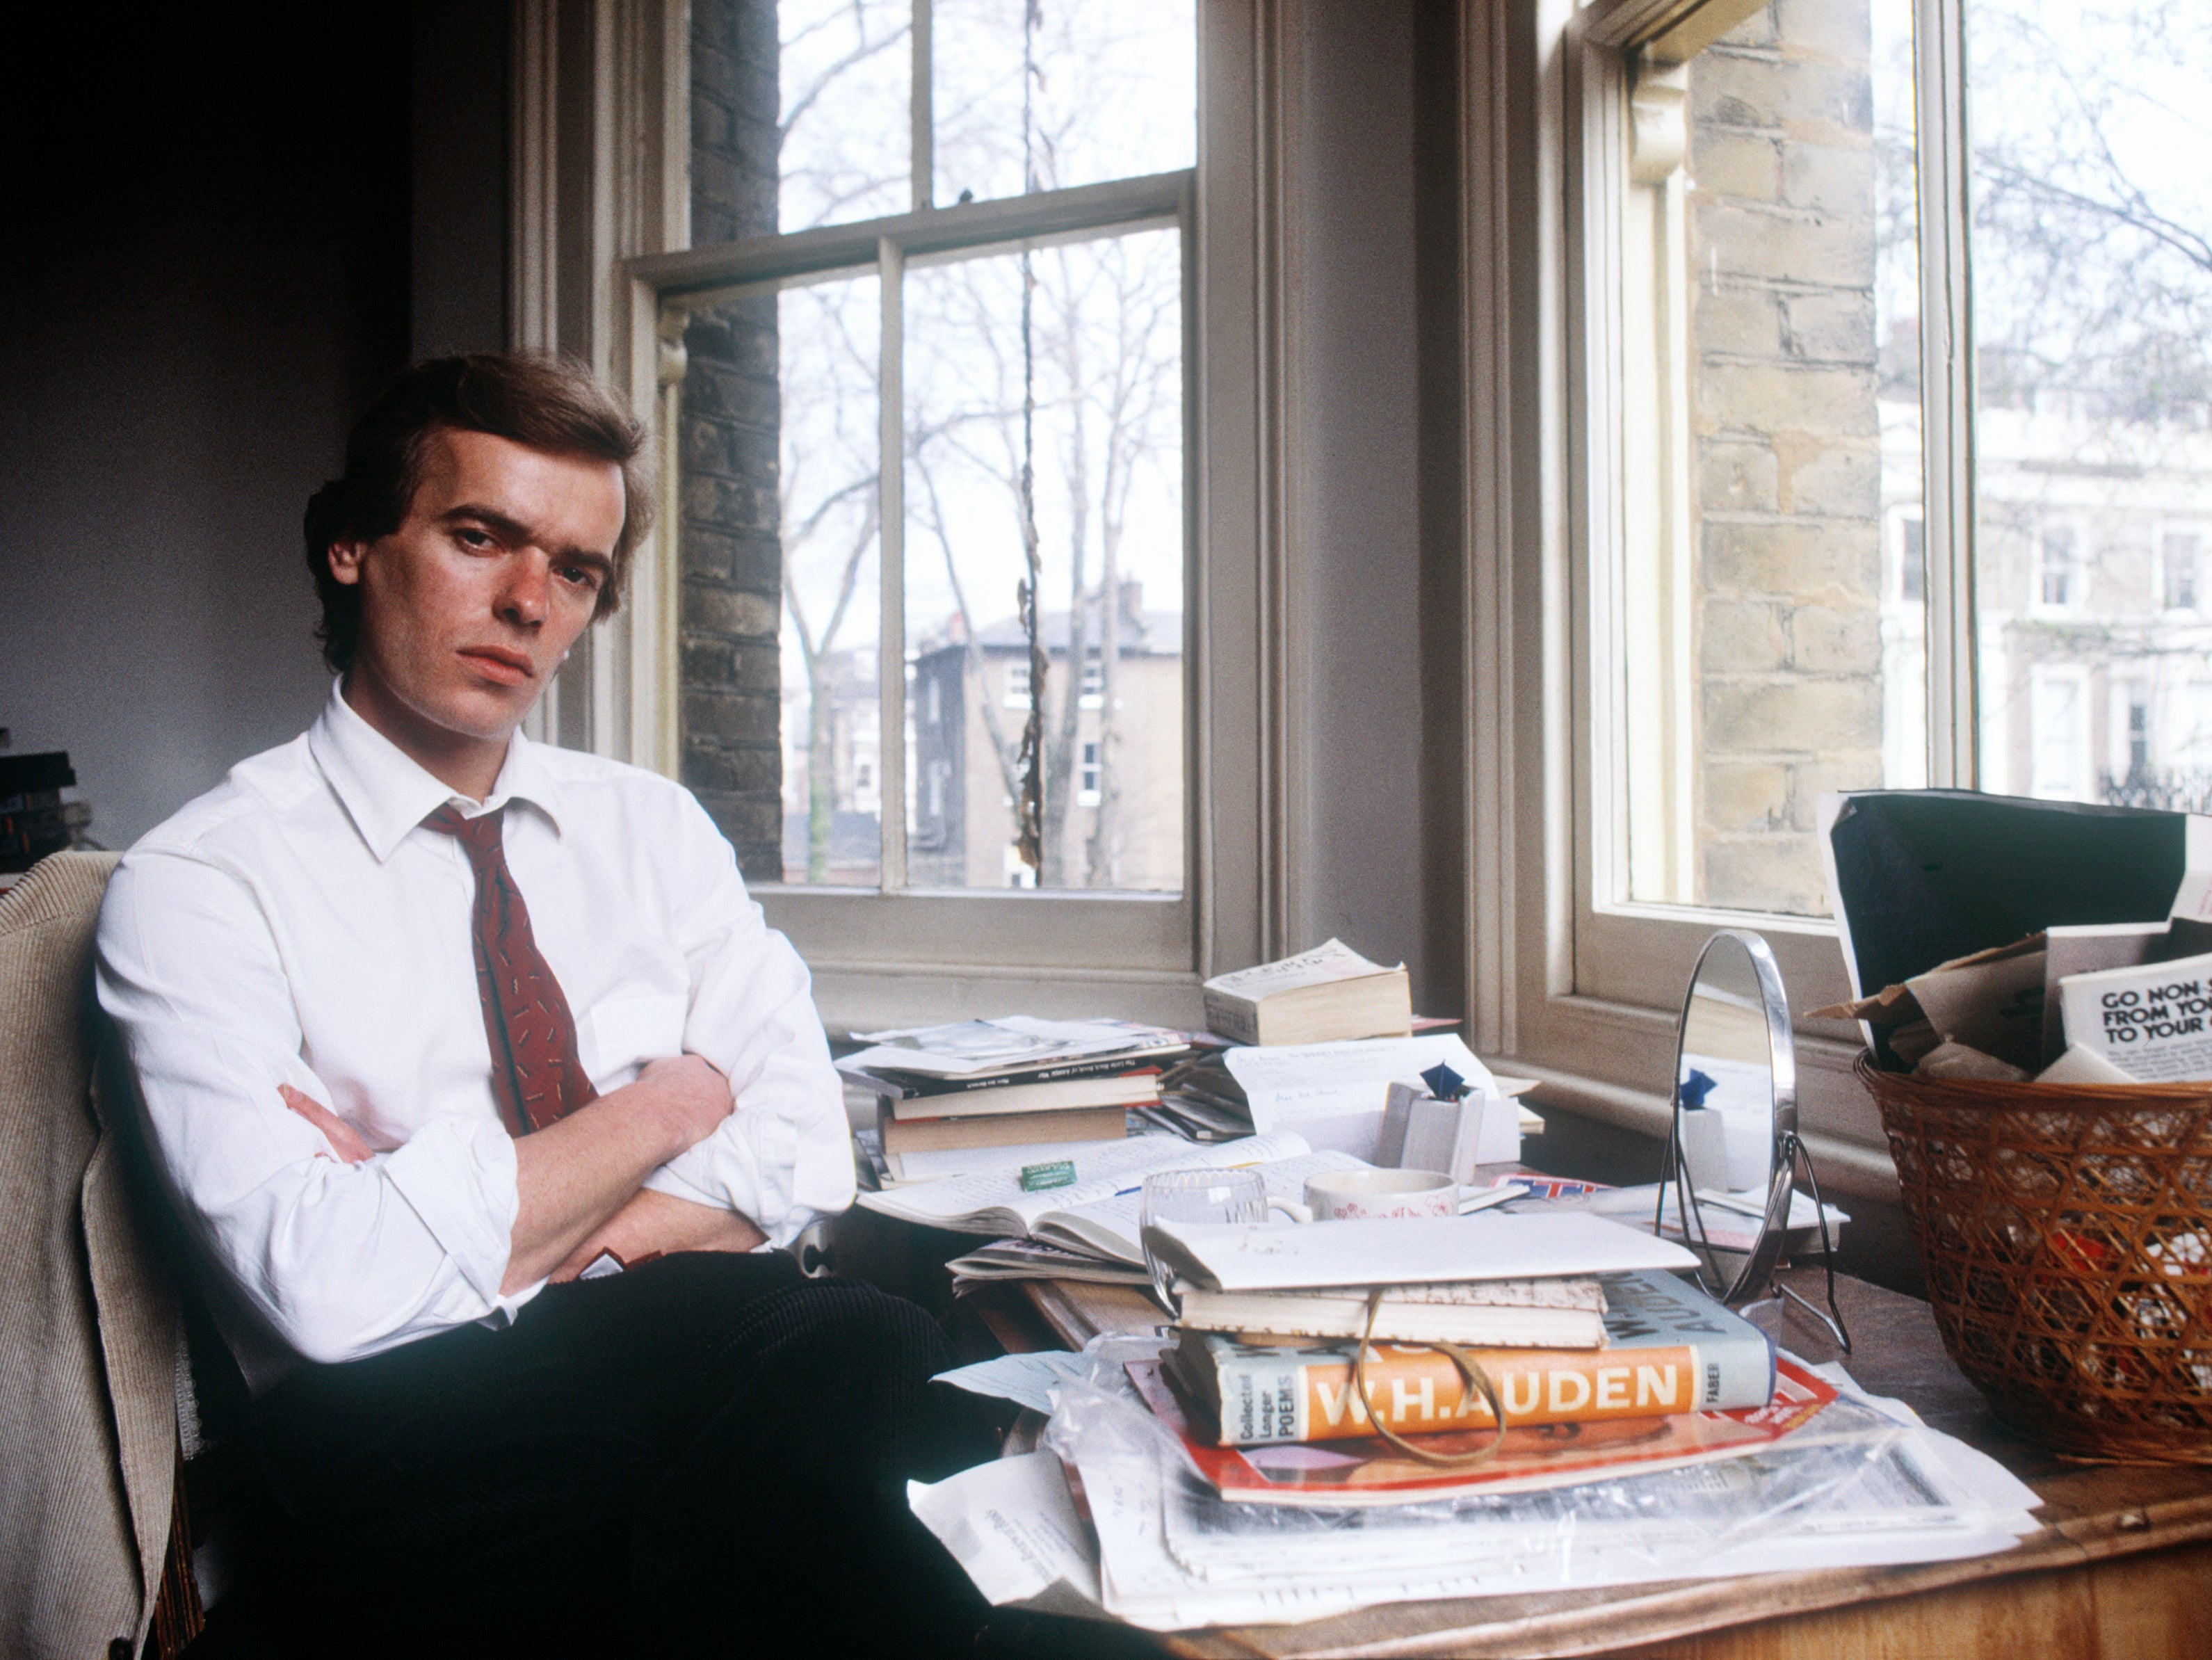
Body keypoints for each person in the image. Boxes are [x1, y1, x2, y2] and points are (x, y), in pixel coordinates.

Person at [95, 354, 999, 1658]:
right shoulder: (198, 882)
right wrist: (673, 1100)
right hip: (395, 1410)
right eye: (480, 537)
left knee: (879, 1348)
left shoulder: (653, 827)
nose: (527, 601)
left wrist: (485, 1228)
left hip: (691, 1332)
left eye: (574, 569)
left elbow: (805, 1137)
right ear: (351, 545)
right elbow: (333, 1289)